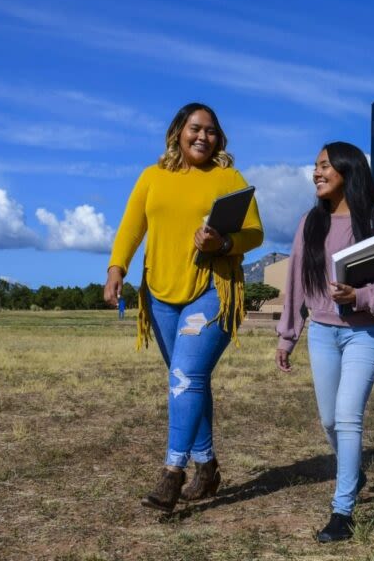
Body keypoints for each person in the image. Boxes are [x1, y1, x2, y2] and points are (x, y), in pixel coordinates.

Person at [104, 103, 264, 512]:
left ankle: (172, 473)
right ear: (178, 131)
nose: (203, 137)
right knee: (188, 380)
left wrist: (223, 244)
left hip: (213, 289)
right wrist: (116, 268)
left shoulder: (228, 177)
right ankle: (207, 467)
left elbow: (254, 232)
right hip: (159, 293)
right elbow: (131, 225)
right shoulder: (152, 177)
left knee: (185, 375)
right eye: (195, 128)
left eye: (211, 131)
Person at [275, 142, 374, 542]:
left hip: (366, 332)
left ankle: (342, 510)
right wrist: (287, 338)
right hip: (322, 331)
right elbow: (295, 283)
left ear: (348, 171)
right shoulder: (309, 223)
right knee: (330, 420)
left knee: (348, 417)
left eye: (324, 166)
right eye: (315, 167)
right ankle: (355, 472)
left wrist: (360, 297)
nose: (317, 173)